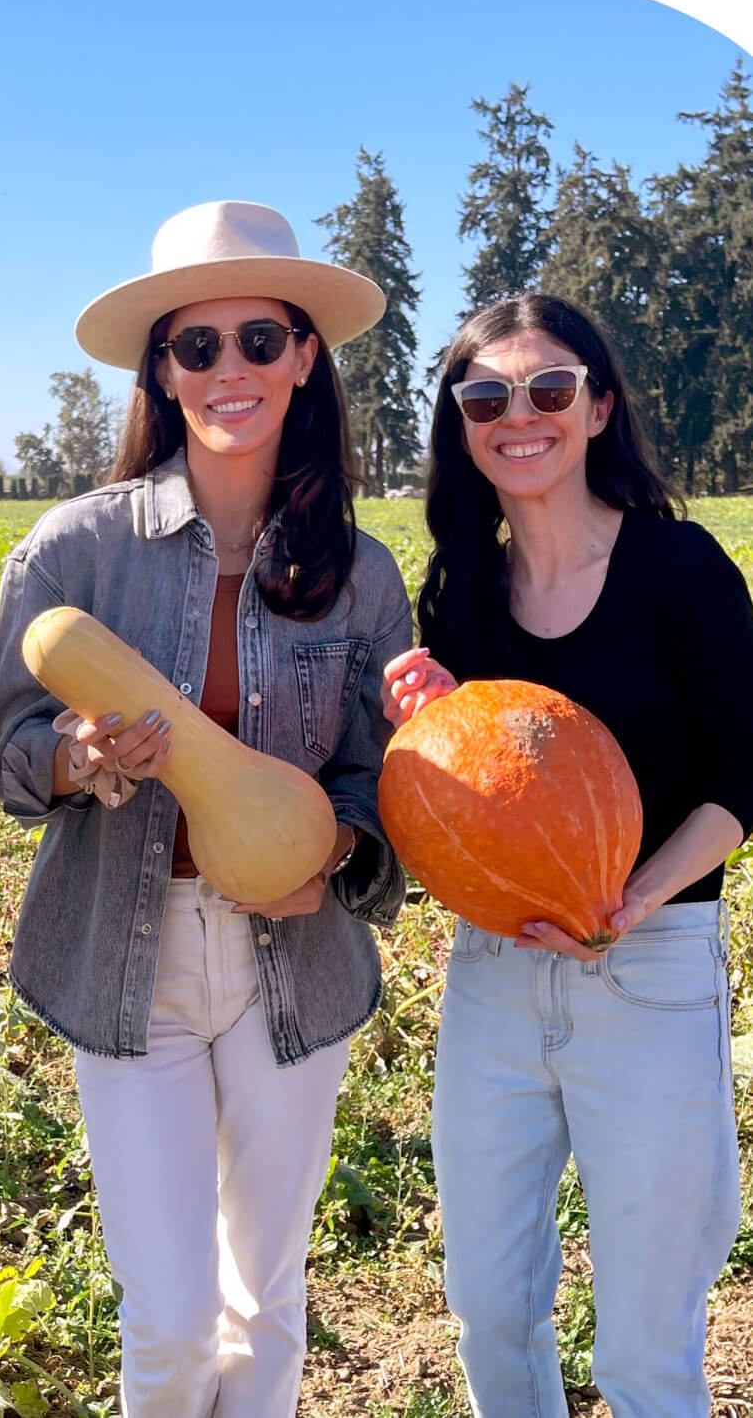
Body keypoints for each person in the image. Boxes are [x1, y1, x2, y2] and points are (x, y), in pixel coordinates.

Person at [0, 200, 412, 1418]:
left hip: (295, 952)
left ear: (303, 359)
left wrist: (333, 846)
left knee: (267, 1306)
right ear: (161, 372)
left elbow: (384, 775)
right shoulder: (71, 556)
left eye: (262, 340)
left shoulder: (362, 569)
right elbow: (9, 759)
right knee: (172, 1324)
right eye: (199, 345)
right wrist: (75, 756)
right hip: (129, 958)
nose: (233, 369)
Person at [383, 293, 753, 1418]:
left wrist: (632, 899)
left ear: (599, 406)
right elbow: (470, 799)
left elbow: (746, 777)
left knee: (647, 1344)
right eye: (485, 397)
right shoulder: (461, 592)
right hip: (492, 977)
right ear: (462, 424)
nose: (519, 415)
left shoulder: (679, 568)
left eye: (549, 388)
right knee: (490, 1308)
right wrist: (428, 723)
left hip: (650, 965)